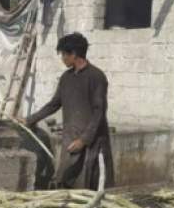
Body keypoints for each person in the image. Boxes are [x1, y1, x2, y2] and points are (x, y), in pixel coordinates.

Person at [26, 32, 114, 190]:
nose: (62, 59)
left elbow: (99, 112)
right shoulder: (66, 78)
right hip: (71, 135)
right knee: (63, 177)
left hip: (93, 139)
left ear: (74, 54)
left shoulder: (96, 77)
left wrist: (84, 140)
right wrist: (30, 119)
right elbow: (54, 104)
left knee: (93, 181)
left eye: (64, 55)